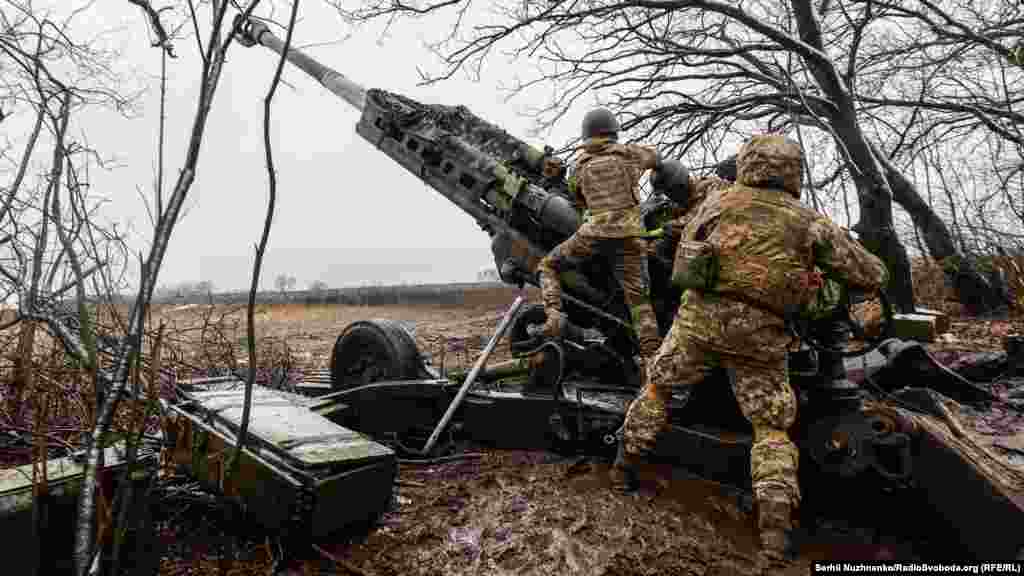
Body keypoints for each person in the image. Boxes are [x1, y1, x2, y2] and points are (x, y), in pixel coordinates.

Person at [610, 134, 888, 561]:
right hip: (758, 339)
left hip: (696, 326)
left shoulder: (717, 202)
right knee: (771, 429)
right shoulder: (808, 221)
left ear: (747, 164)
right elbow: (871, 274)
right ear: (793, 171)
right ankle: (775, 536)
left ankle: (622, 469)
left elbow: (682, 215)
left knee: (657, 391)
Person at [536, 108, 662, 364]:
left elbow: (579, 202)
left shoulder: (579, 166)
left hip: (593, 234)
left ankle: (555, 314)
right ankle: (654, 365)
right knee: (639, 305)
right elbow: (656, 158)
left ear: (587, 135)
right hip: (629, 235)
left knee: (548, 265)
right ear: (613, 131)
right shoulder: (630, 155)